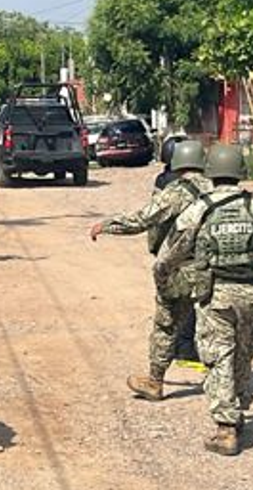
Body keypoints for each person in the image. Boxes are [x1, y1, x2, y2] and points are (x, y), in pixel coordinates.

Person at [156, 144, 253, 456]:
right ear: (240, 171)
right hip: (252, 296)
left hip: (215, 295)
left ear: (211, 172)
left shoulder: (198, 209)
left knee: (218, 356)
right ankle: (237, 405)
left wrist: (164, 272)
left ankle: (226, 427)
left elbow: (172, 250)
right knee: (243, 353)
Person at [90, 140, 213, 401]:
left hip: (181, 271)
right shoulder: (219, 188)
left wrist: (108, 225)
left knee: (166, 325)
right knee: (219, 328)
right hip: (215, 272)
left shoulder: (178, 190)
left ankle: (155, 382)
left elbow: (144, 219)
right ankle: (231, 386)